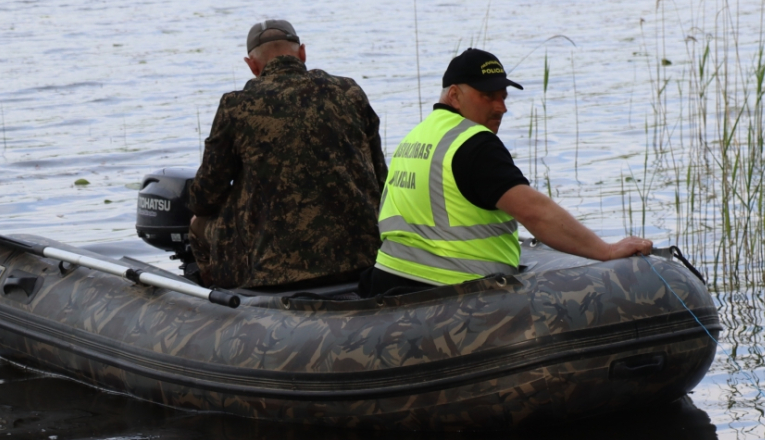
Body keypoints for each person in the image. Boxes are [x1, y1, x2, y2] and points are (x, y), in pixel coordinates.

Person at [366, 47, 652, 295]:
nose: (501, 107)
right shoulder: (475, 144)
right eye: (488, 96)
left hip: (390, 280)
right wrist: (607, 251)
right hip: (450, 291)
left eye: (503, 97)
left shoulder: (414, 137)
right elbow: (535, 212)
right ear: (455, 95)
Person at [187, 19, 387, 289]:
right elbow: (381, 176)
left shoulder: (236, 106)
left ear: (252, 65)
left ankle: (220, 305)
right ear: (302, 53)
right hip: (365, 257)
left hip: (273, 272)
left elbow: (204, 199)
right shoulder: (349, 91)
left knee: (197, 224)